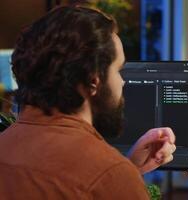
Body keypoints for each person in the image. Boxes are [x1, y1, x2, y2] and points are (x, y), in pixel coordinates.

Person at [0, 6, 176, 199]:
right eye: (118, 70)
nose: (122, 81)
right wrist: (120, 176)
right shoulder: (110, 176)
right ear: (93, 81)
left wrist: (129, 168)